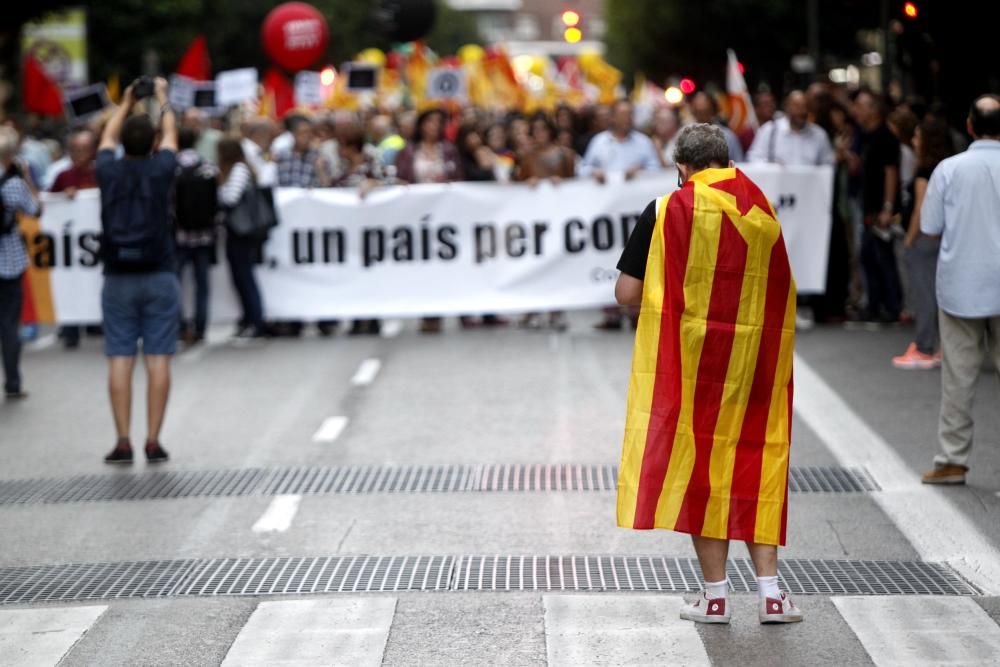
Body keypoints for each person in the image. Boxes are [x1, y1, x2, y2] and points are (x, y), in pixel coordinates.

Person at [614, 123, 801, 625]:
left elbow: (627, 295)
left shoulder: (663, 211)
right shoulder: (760, 210)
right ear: (726, 161)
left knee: (702, 472)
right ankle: (771, 594)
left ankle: (715, 597)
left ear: (682, 168)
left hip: (691, 368)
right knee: (756, 463)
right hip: (754, 364)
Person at [96, 77, 179, 465]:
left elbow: (107, 138)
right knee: (158, 357)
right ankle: (153, 439)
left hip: (117, 276)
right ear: (153, 144)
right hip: (159, 271)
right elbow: (172, 135)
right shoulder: (161, 170)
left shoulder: (108, 171)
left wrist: (125, 103)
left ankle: (122, 440)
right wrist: (162, 98)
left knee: (120, 358)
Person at [919, 95, 1000, 485]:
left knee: (958, 378)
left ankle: (952, 460)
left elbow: (930, 226)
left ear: (970, 126)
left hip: (961, 284)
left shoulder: (948, 169)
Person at [579, 99, 661, 331]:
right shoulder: (599, 142)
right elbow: (582, 168)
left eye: (630, 114)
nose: (627, 118)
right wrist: (593, 172)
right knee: (609, 257)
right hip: (608, 215)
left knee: (635, 256)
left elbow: (658, 171)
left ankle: (636, 311)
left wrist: (641, 171)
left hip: (634, 215)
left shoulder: (643, 143)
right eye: (623, 114)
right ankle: (611, 313)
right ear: (612, 117)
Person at [394, 108, 464, 334]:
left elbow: (459, 178)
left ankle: (438, 308)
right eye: (430, 122)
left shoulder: (450, 150)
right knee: (422, 262)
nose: (434, 126)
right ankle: (426, 309)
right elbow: (401, 176)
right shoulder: (409, 151)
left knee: (441, 262)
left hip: (445, 216)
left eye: (438, 122)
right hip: (417, 216)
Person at [892, 118, 953, 370]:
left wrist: (909, 240)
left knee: (924, 295)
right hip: (944, 238)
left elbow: (920, 207)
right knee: (939, 295)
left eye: (918, 137)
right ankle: (940, 348)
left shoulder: (924, 171)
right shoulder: (948, 167)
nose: (914, 141)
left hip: (925, 239)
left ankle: (924, 347)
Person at [518, 114, 576, 331]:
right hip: (534, 220)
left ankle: (556, 310)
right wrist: (527, 182)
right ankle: (532, 309)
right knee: (533, 263)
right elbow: (517, 183)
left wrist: (563, 183)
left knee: (557, 263)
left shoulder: (565, 155)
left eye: (543, 129)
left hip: (559, 217)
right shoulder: (527, 156)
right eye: (536, 129)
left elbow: (578, 185)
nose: (540, 134)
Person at [850, 89, 902, 323]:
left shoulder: (885, 137)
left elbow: (891, 173)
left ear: (873, 110)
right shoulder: (865, 135)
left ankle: (890, 307)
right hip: (868, 204)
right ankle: (876, 305)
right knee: (869, 255)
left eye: (861, 107)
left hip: (880, 207)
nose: (857, 111)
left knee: (881, 256)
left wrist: (888, 207)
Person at [0, 127, 42, 399]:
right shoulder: (14, 184)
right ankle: (13, 381)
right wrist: (26, 177)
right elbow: (36, 210)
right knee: (8, 324)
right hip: (8, 261)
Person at [49, 128, 99, 349]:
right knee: (70, 285)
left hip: (93, 245)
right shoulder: (63, 176)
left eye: (83, 150)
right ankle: (71, 329)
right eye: (75, 150)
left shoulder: (100, 173)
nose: (79, 154)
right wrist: (62, 197)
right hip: (69, 247)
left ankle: (95, 322)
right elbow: (49, 205)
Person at [173, 128, 219, 345]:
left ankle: (181, 325)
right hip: (204, 235)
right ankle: (201, 327)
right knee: (202, 285)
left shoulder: (173, 168)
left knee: (174, 283)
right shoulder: (207, 167)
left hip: (180, 237)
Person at [217, 138, 266, 341]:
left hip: (241, 230)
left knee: (244, 275)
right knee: (239, 276)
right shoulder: (238, 169)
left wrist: (218, 188)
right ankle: (248, 319)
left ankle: (255, 320)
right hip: (236, 230)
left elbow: (230, 198)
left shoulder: (238, 169)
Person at [747, 91, 834, 167]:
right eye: (797, 106)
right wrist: (772, 167)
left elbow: (827, 165)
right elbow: (753, 158)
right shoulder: (770, 130)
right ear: (787, 108)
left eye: (805, 106)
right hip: (777, 184)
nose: (802, 111)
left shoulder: (819, 135)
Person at [689, 91, 745, 162]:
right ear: (693, 112)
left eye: (705, 112)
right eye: (698, 112)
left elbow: (738, 163)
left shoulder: (728, 136)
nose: (702, 117)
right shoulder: (685, 136)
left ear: (713, 110)